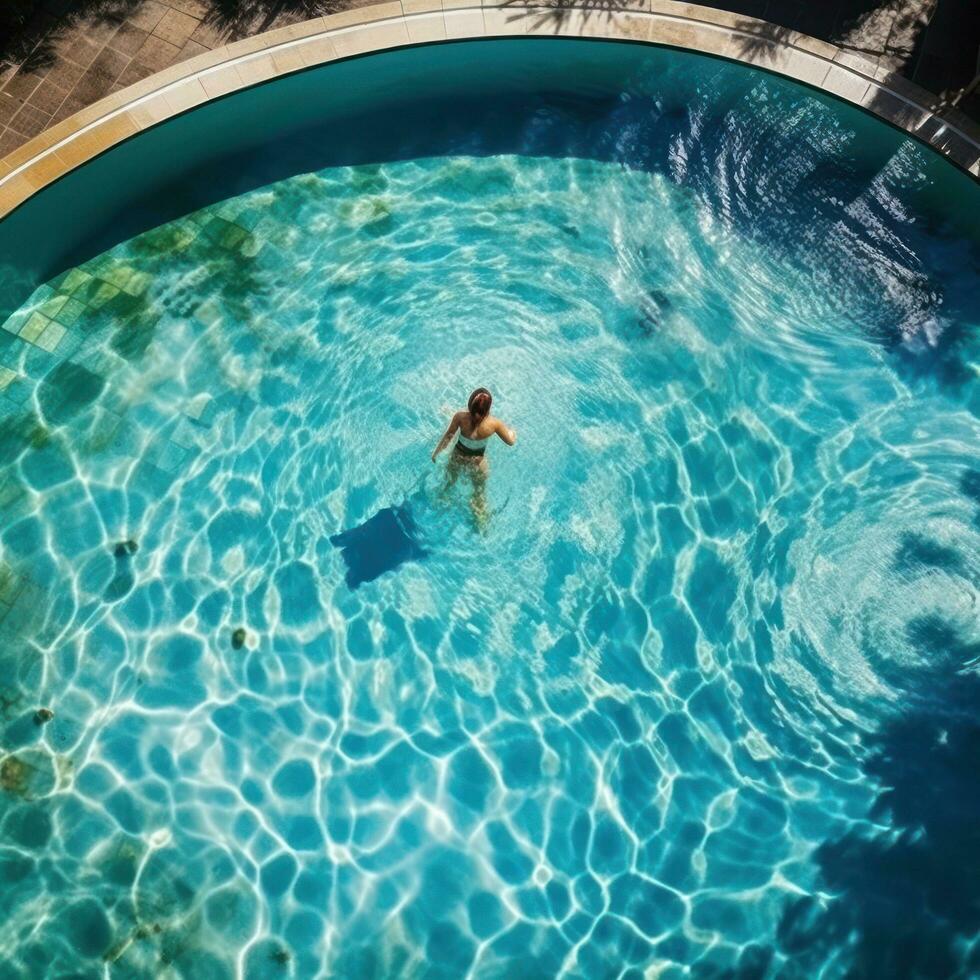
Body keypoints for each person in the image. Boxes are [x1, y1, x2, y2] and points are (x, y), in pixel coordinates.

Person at [431, 387, 516, 528]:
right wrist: (513, 432)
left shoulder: (460, 417)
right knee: (478, 496)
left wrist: (436, 453)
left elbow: (449, 436)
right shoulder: (494, 424)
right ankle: (481, 525)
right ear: (488, 410)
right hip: (477, 463)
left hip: (457, 458)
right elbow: (510, 442)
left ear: (470, 404)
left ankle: (440, 505)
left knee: (449, 483)